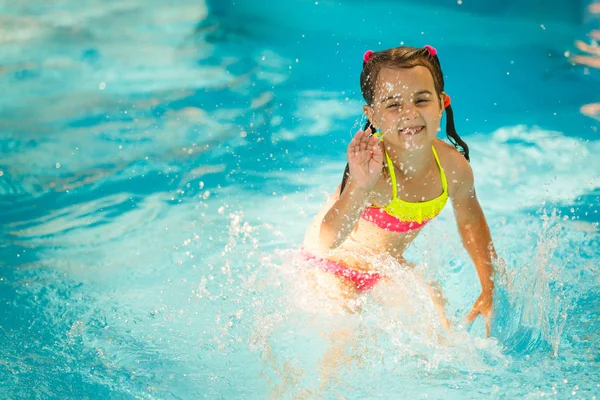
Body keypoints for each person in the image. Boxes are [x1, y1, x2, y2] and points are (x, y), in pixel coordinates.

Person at [302, 45, 498, 336]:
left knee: (440, 329)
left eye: (421, 100)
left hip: (386, 269)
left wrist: (487, 286)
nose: (409, 113)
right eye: (393, 105)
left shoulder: (453, 169)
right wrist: (360, 185)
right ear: (373, 114)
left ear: (442, 104)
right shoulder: (375, 170)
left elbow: (470, 220)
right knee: (345, 339)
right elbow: (329, 239)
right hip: (329, 265)